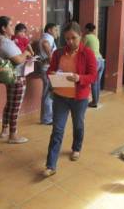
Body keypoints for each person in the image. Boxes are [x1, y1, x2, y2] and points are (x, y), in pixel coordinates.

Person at [43, 22, 97, 177]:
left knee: (78, 125)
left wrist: (79, 77)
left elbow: (93, 76)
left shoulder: (87, 53)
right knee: (57, 130)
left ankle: (76, 148)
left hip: (79, 98)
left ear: (81, 36)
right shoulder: (58, 53)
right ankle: (51, 165)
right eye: (67, 39)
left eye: (73, 38)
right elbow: (51, 71)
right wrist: (54, 75)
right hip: (60, 97)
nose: (70, 42)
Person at [0, 16, 31, 143]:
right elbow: (18, 60)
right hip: (17, 77)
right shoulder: (6, 42)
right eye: (11, 25)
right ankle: (13, 136)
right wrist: (26, 54)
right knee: (15, 107)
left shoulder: (2, 39)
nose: (13, 28)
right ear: (4, 28)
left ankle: (5, 131)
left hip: (11, 76)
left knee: (10, 104)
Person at [39, 23, 58, 125]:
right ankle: (47, 119)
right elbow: (45, 44)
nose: (57, 32)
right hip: (48, 69)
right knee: (48, 94)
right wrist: (51, 59)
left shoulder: (47, 37)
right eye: (55, 30)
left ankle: (47, 117)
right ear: (49, 30)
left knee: (48, 93)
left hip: (47, 68)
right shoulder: (47, 36)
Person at [84, 23, 105, 108]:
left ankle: (94, 102)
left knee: (93, 82)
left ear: (88, 29)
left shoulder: (86, 37)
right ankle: (96, 101)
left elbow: (80, 48)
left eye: (85, 29)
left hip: (94, 61)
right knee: (97, 83)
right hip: (101, 61)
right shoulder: (96, 38)